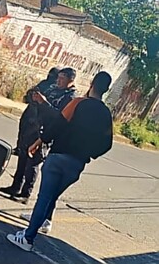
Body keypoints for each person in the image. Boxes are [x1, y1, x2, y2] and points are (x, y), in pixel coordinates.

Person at [6, 71, 114, 252]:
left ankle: (28, 237)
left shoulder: (78, 103)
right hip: (77, 165)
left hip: (59, 157)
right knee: (53, 195)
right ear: (107, 90)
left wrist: (39, 141)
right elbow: (107, 144)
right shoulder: (105, 114)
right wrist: (89, 153)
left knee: (45, 197)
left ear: (92, 83)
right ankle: (44, 222)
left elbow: (58, 124)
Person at [0, 67, 77, 204]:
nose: (58, 80)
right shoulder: (52, 88)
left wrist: (43, 102)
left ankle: (25, 193)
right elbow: (34, 99)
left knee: (33, 163)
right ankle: (15, 186)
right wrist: (35, 97)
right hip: (32, 126)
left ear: (70, 80)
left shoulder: (69, 97)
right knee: (23, 157)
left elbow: (60, 117)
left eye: (62, 78)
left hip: (46, 133)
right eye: (58, 77)